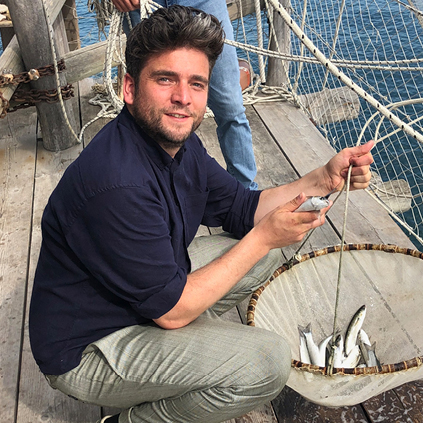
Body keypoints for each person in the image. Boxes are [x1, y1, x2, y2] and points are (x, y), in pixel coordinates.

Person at [29, 6, 374, 423]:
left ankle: (198, 344)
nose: (183, 97)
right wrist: (263, 237)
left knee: (271, 247)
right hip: (89, 348)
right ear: (129, 88)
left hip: (145, 298)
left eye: (197, 83)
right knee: (266, 363)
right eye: (165, 79)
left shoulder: (179, 145)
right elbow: (173, 310)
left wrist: (323, 178)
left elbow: (244, 208)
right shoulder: (117, 182)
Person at [111, 0, 259, 190]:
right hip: (140, 4)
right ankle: (154, 192)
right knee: (148, 109)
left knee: (230, 106)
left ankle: (245, 194)